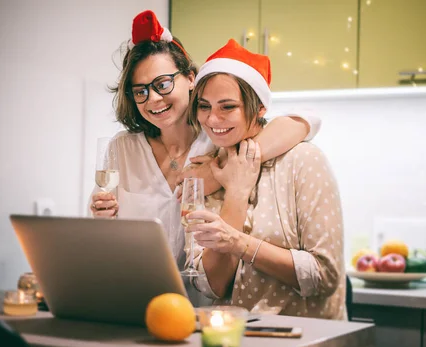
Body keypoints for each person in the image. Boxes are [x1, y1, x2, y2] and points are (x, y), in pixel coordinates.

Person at [89, 10, 321, 277]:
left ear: (190, 78)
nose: (153, 98)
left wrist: (216, 170)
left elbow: (306, 121)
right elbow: (103, 227)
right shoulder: (122, 149)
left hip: (205, 303)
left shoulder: (217, 137)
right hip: (139, 293)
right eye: (140, 91)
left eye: (162, 84)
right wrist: (102, 216)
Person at [186, 39, 346, 320]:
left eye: (227, 107)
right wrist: (235, 192)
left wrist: (239, 243)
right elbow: (212, 285)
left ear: (260, 108)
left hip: (304, 344)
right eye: (204, 106)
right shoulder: (201, 174)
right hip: (231, 341)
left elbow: (324, 275)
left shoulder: (303, 161)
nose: (213, 119)